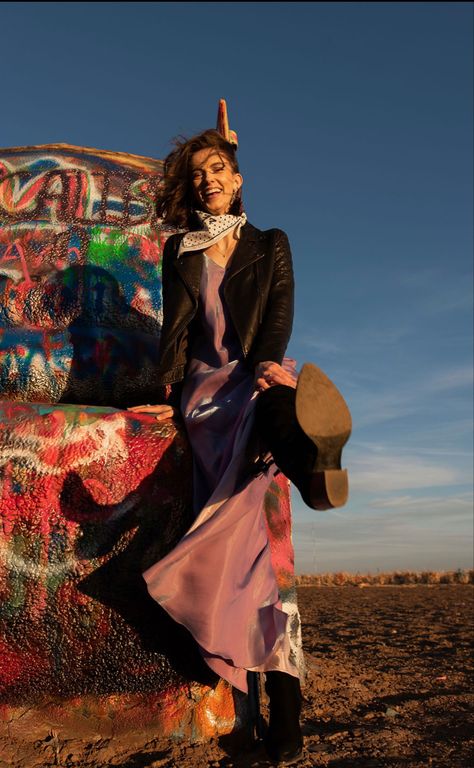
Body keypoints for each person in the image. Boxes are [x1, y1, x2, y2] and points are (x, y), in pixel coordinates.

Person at [128, 128, 351, 764]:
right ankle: (308, 465)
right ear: (191, 187)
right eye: (199, 173)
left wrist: (266, 363)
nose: (209, 179)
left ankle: (312, 467)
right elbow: (175, 331)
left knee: (271, 570)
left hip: (256, 381)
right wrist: (160, 392)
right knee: (251, 575)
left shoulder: (270, 244)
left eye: (220, 168)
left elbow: (278, 315)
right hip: (208, 396)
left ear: (240, 179)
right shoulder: (181, 251)